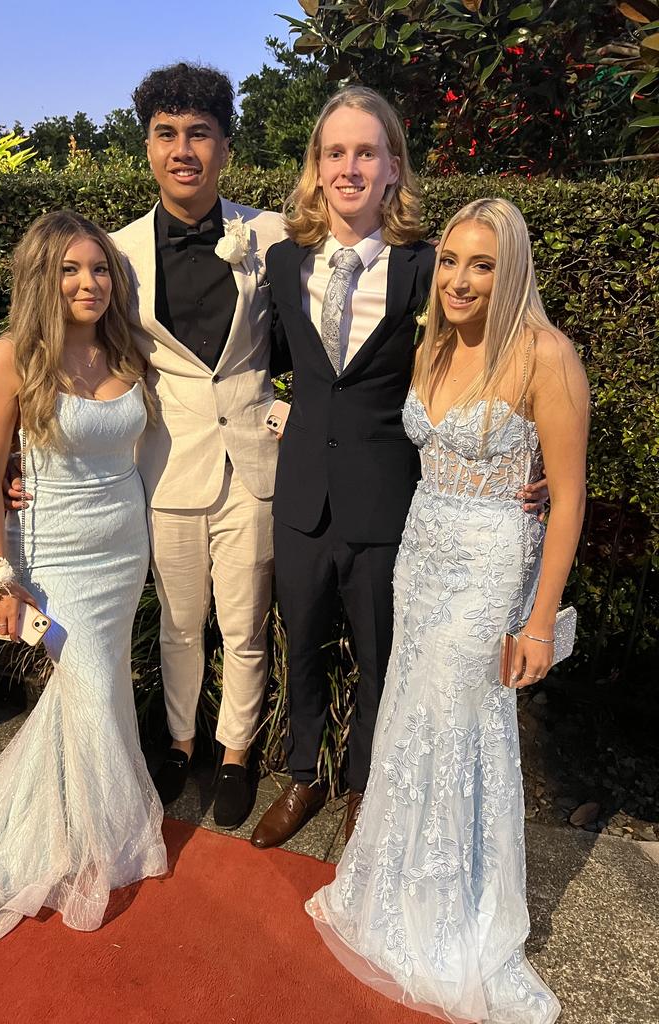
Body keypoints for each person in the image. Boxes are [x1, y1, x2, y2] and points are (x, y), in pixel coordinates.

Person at [306, 198, 589, 1024]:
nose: (461, 280)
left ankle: (456, 911)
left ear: (514, 272)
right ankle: (397, 888)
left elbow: (568, 501)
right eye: (453, 262)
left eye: (484, 264)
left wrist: (539, 623)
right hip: (422, 552)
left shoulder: (547, 356)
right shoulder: (433, 341)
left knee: (460, 725)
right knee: (412, 719)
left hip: (491, 567)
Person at [0, 211, 167, 942]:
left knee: (103, 688)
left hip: (121, 548)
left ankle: (84, 825)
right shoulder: (9, 358)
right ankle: (55, 839)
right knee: (82, 689)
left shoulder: (125, 348)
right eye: (71, 270)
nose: (89, 282)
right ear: (42, 278)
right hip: (55, 556)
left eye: (100, 268)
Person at [251, 87, 436, 849]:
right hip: (300, 498)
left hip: (385, 502)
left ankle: (363, 785)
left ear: (393, 168)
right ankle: (304, 777)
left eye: (367, 152)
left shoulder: (425, 269)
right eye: (336, 152)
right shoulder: (283, 260)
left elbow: (464, 377)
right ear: (316, 167)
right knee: (303, 644)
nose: (350, 167)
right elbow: (274, 366)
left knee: (378, 657)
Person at [108, 64, 285, 828]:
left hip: (253, 461)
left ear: (225, 146)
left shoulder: (273, 233)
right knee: (181, 622)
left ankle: (236, 752)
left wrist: (298, 409)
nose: (184, 149)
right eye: (167, 134)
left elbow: (333, 332)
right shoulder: (113, 254)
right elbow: (80, 360)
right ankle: (180, 742)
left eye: (200, 134)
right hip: (168, 462)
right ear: (147, 146)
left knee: (244, 624)